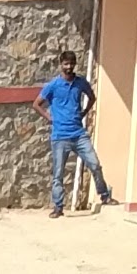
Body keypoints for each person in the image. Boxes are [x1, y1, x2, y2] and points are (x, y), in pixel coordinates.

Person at [36, 53, 107, 217]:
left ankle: (104, 195)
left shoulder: (80, 82)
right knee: (58, 174)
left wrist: (84, 113)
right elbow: (37, 104)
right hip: (60, 136)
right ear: (61, 64)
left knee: (95, 165)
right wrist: (50, 118)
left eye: (72, 64)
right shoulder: (53, 85)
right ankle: (58, 207)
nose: (69, 67)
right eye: (66, 64)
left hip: (79, 134)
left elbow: (92, 97)